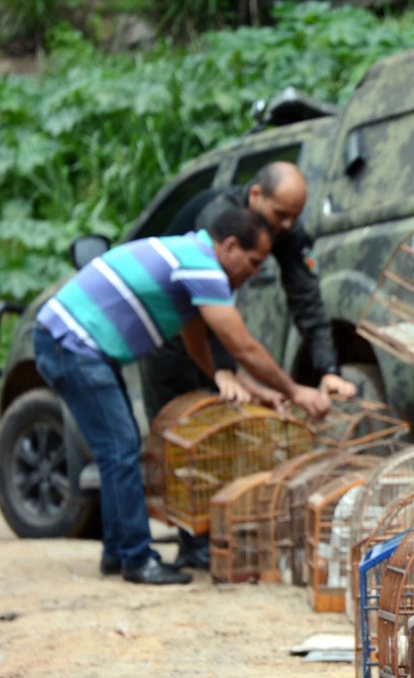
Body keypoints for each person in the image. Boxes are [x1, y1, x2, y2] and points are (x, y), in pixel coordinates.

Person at [34, 207, 332, 585]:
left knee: (117, 450)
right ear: (229, 246)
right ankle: (137, 559)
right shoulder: (201, 266)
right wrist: (296, 392)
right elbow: (243, 347)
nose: (255, 273)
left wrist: (258, 393)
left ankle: (118, 551)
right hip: (72, 344)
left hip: (74, 344)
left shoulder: (187, 258)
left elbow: (198, 345)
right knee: (121, 449)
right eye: (253, 262)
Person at [139, 161, 355, 569]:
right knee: (183, 435)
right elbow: (205, 301)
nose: (287, 225)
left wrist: (328, 368)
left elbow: (307, 297)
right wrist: (224, 369)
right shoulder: (217, 215)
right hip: (172, 333)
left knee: (225, 439)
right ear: (255, 196)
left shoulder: (284, 230)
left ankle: (217, 537)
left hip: (218, 332)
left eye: (294, 216)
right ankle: (191, 542)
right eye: (279, 215)